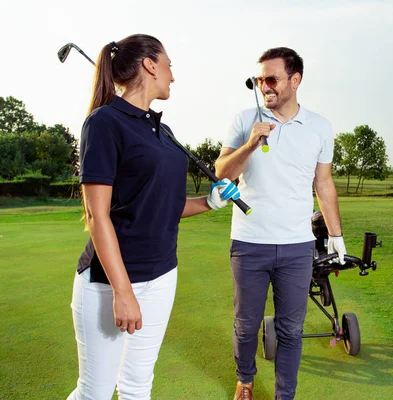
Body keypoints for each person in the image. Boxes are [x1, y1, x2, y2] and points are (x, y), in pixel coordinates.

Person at [67, 34, 239, 400]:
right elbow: (97, 216)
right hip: (109, 283)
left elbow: (169, 206)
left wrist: (211, 202)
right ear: (149, 64)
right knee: (94, 393)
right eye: (169, 65)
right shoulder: (103, 123)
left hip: (162, 275)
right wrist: (123, 291)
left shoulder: (165, 133)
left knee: (136, 387)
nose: (172, 76)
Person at [215, 47, 346, 400]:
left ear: (295, 79)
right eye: (259, 80)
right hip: (249, 243)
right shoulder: (244, 120)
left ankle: (284, 394)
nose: (264, 86)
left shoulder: (320, 126)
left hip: (297, 246)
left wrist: (336, 234)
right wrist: (251, 143)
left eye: (271, 79)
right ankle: (245, 379)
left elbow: (324, 183)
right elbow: (221, 173)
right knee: (245, 327)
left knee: (291, 329)